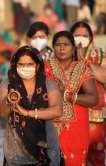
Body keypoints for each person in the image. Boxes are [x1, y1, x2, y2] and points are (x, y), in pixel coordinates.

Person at [0, 45, 62, 165]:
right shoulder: (7, 85)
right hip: (16, 150)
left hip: (46, 147)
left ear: (37, 66)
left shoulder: (49, 85)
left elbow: (57, 111)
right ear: (15, 66)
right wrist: (8, 101)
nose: (25, 68)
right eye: (21, 65)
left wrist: (27, 113)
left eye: (29, 64)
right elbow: (3, 113)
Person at [44, 31, 99, 165]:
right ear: (53, 47)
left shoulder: (82, 68)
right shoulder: (45, 67)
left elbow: (93, 98)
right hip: (51, 126)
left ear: (73, 48)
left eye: (66, 45)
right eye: (58, 45)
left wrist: (67, 95)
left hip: (77, 128)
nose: (62, 48)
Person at [70, 21, 106, 166]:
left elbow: (104, 76)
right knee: (74, 156)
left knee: (96, 155)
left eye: (84, 35)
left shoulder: (100, 55)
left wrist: (83, 61)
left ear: (91, 37)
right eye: (77, 35)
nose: (80, 38)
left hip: (95, 116)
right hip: (71, 115)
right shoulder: (63, 55)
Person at [26, 21, 62, 166]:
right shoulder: (24, 56)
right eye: (35, 37)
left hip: (52, 109)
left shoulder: (55, 56)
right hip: (29, 108)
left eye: (42, 36)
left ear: (48, 37)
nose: (39, 40)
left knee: (52, 152)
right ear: (29, 39)